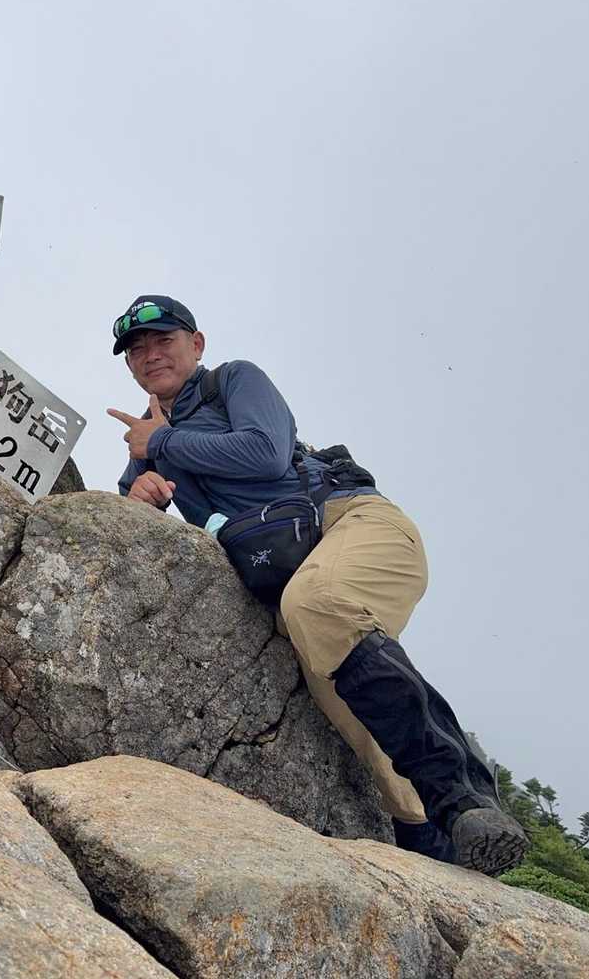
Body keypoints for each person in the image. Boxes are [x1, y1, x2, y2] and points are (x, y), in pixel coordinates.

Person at [107, 295, 528, 876]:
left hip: (353, 520)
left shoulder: (233, 381)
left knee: (313, 604)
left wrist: (161, 444)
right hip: (292, 575)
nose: (151, 355)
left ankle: (464, 794)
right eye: (136, 349)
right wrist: (141, 492)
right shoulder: (145, 439)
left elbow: (265, 452)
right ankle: (435, 834)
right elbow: (129, 519)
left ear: (196, 345)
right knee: (332, 684)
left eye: (164, 340)